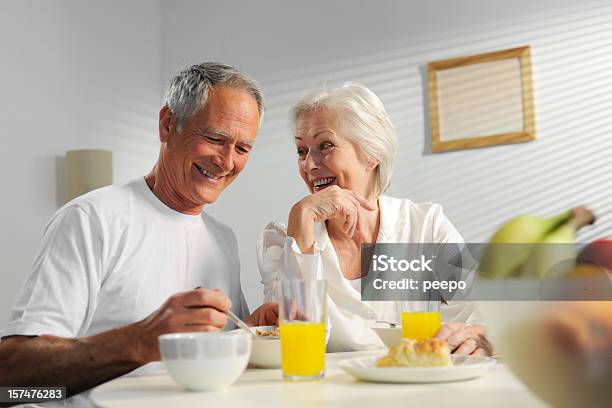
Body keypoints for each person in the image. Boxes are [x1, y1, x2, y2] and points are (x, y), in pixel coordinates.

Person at [0, 62, 278, 406]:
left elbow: (209, 351)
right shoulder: (92, 219)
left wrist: (251, 330)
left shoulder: (224, 239)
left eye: (242, 148)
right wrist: (139, 341)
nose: (226, 161)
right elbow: (9, 373)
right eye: (215, 138)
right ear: (167, 124)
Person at [257, 83, 492, 354]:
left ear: (372, 154)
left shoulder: (425, 225)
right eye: (302, 151)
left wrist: (478, 335)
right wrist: (301, 220)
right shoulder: (283, 242)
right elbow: (291, 347)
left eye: (325, 146)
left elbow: (485, 307)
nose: (309, 165)